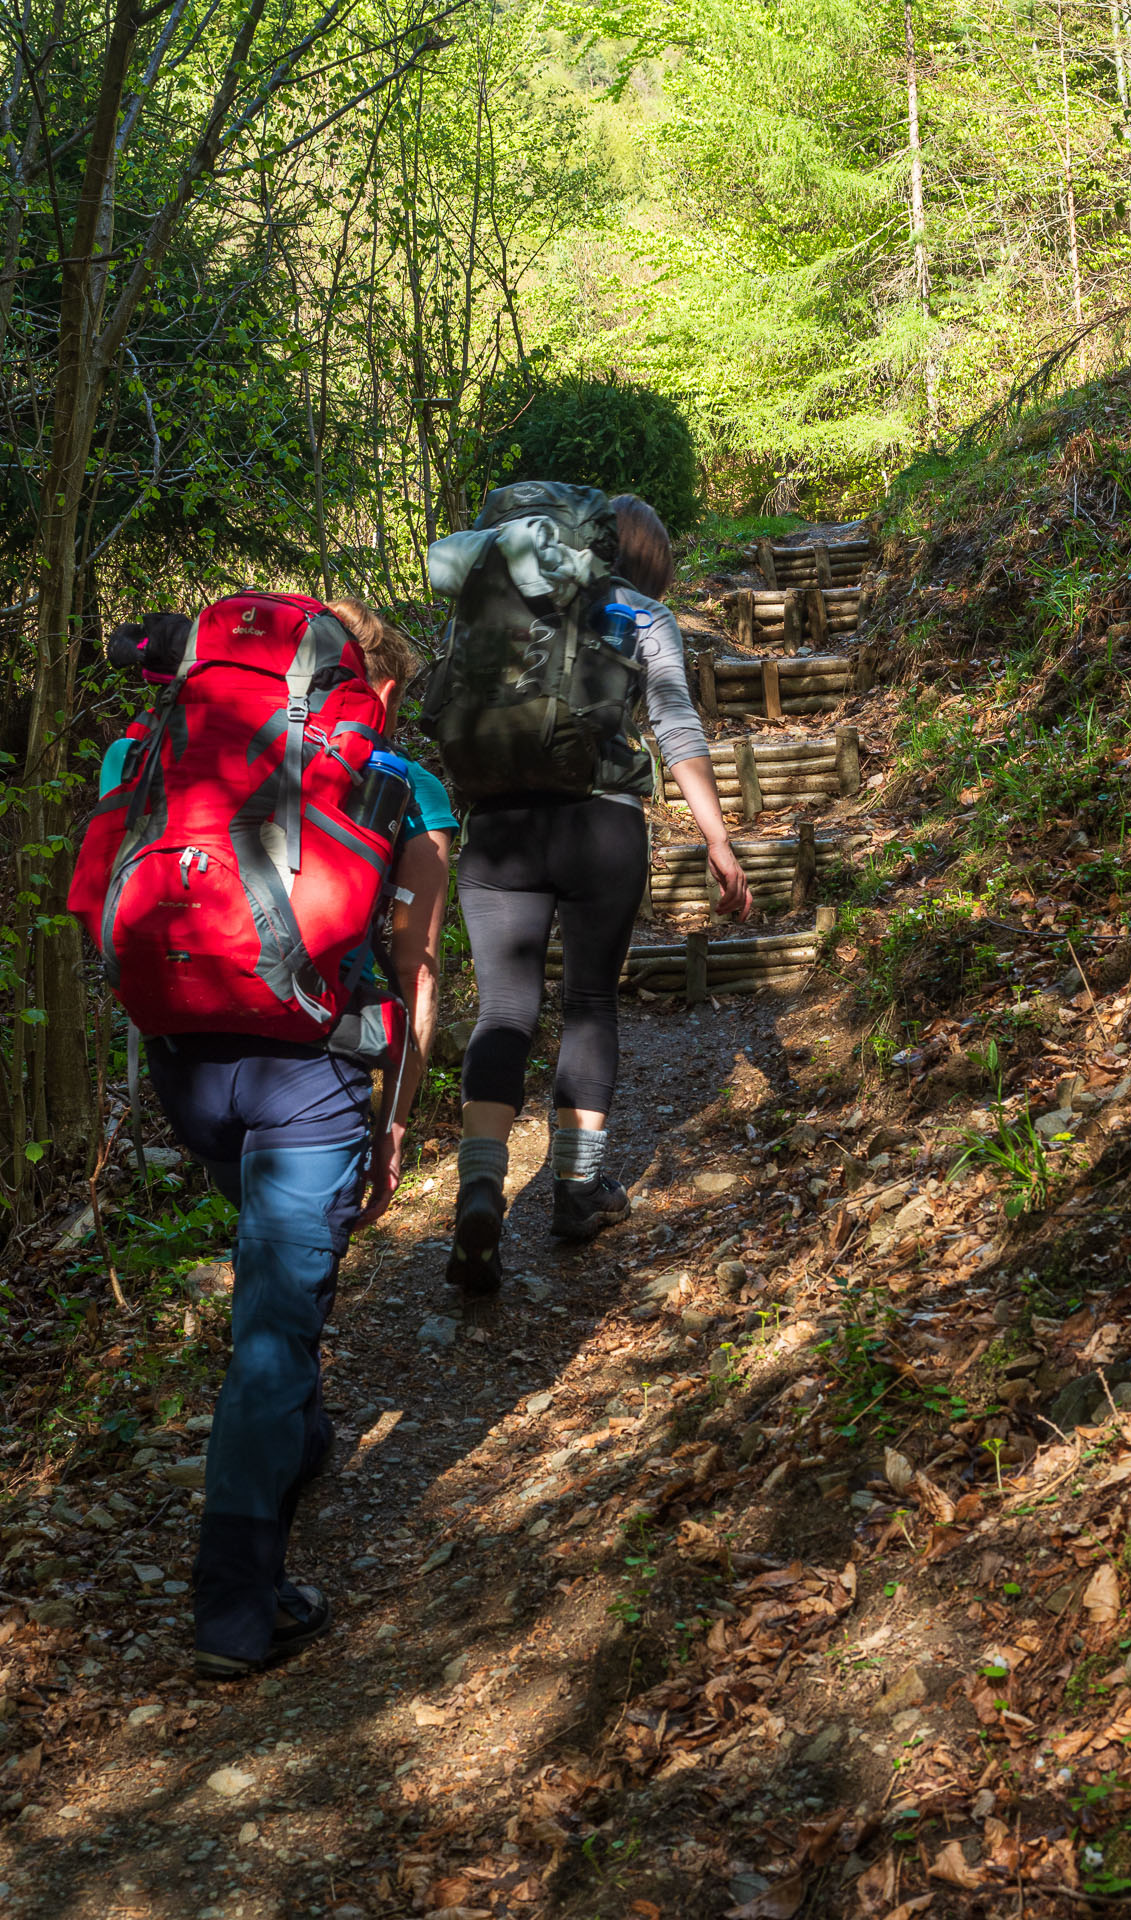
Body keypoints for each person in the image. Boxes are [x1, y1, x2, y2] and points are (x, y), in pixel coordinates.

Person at [96, 599, 454, 1679]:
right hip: (314, 1071)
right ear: (371, 685)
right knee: (272, 1333)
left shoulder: (141, 747)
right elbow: (417, 968)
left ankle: (293, 1442)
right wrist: (394, 1124)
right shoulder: (399, 782)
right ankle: (237, 1606)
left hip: (183, 1065)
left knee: (272, 1283)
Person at [436, 493, 751, 1296]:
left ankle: (481, 1188)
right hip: (600, 827)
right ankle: (575, 1193)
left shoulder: (485, 604)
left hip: (495, 829)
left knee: (504, 1013)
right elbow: (675, 721)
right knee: (588, 1004)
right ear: (642, 553)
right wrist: (715, 836)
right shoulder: (641, 613)